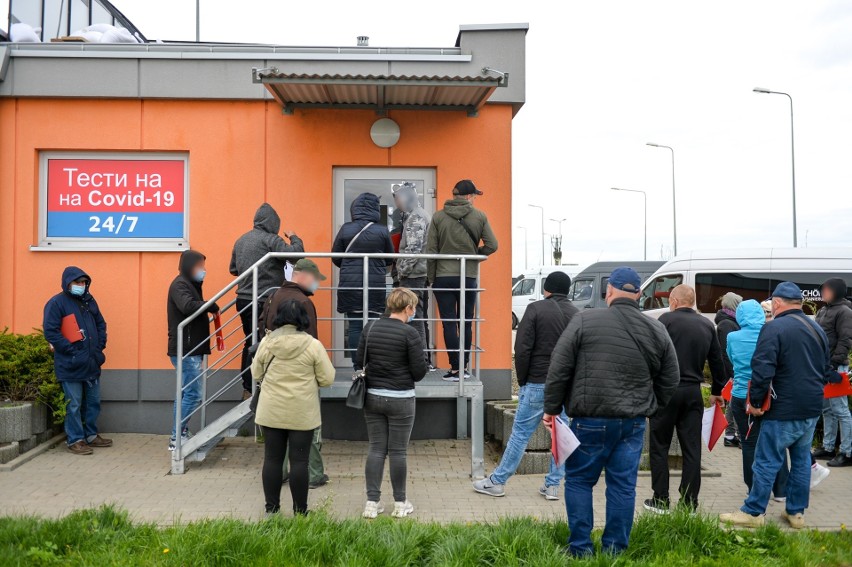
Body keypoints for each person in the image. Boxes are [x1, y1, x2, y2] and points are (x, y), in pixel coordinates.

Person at [545, 267, 680, 557]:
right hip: (632, 423)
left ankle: (580, 549)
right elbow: (671, 377)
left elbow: (559, 367)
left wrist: (551, 409)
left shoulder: (584, 319)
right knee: (623, 486)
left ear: (609, 292)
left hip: (589, 419)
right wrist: (651, 405)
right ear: (639, 294)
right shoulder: (656, 328)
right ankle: (615, 551)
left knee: (580, 481)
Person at [721, 282, 839, 529]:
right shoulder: (816, 328)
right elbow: (825, 368)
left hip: (783, 408)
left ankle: (753, 512)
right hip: (811, 407)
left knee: (766, 460)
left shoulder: (773, 329)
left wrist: (754, 403)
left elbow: (762, 370)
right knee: (800, 461)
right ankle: (796, 513)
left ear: (776, 303)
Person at [473, 272, 577, 500]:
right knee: (560, 435)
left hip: (537, 382)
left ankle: (497, 482)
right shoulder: (576, 314)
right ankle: (552, 486)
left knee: (520, 435)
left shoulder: (535, 309)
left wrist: (523, 380)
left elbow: (522, 349)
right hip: (565, 387)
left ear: (546, 289)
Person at [645, 285, 726, 513]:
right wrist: (717, 391)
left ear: (673, 300)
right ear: (691, 302)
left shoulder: (665, 321)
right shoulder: (707, 324)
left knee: (659, 445)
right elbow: (717, 361)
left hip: (665, 391)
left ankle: (660, 499)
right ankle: (689, 502)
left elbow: (653, 355)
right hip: (693, 392)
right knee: (692, 448)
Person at [252, 300, 335, 516]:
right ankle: (301, 512)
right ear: (303, 318)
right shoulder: (313, 345)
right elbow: (327, 378)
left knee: (272, 459)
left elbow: (255, 374)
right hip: (302, 412)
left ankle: (271, 510)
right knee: (300, 461)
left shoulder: (267, 343)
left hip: (271, 411)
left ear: (278, 317)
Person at [358, 288, 428, 519]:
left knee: (376, 449)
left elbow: (358, 360)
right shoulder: (411, 334)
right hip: (401, 399)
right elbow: (419, 373)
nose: (414, 312)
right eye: (414, 307)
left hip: (373, 396)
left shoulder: (370, 327)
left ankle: (372, 503)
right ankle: (400, 504)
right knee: (398, 451)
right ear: (407, 308)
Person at [261, 259, 329, 489]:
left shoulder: (273, 295)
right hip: (301, 380)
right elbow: (311, 339)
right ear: (302, 275)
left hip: (274, 378)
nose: (316, 284)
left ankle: (279, 475)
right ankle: (313, 474)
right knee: (306, 433)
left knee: (276, 438)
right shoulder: (303, 302)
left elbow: (263, 329)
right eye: (315, 279)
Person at [230, 203, 304, 400]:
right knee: (268, 342)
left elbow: (233, 270)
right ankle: (264, 385)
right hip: (265, 301)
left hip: (243, 300)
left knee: (250, 341)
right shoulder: (271, 239)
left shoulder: (241, 240)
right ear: (273, 223)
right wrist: (294, 237)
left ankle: (248, 387)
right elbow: (297, 254)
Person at [426, 180, 498, 381]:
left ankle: (455, 369)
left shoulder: (438, 217)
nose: (474, 199)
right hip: (468, 276)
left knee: (449, 323)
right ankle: (464, 369)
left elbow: (431, 250)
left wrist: (431, 278)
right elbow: (492, 245)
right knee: (465, 322)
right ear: (468, 196)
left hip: (443, 276)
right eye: (474, 196)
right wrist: (476, 253)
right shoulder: (479, 216)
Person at [43, 267, 110, 455]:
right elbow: (51, 332)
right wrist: (72, 351)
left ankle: (90, 435)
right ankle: (75, 439)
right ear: (67, 283)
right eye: (77, 283)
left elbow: (100, 323)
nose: (81, 286)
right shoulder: (56, 303)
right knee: (73, 404)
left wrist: (99, 347)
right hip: (70, 364)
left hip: (91, 361)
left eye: (83, 283)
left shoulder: (89, 300)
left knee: (93, 402)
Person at [726, 299, 788, 499]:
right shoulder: (772, 333)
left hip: (741, 396)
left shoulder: (733, 337)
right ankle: (780, 490)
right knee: (775, 443)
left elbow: (730, 358)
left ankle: (753, 488)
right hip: (769, 395)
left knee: (748, 443)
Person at [332, 193, 395, 369]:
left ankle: (357, 366)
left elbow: (336, 257)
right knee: (373, 327)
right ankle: (372, 364)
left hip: (350, 284)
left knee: (354, 326)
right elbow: (390, 258)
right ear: (375, 209)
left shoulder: (346, 229)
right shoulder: (382, 230)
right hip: (374, 284)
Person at [167, 250, 219, 451]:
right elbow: (187, 306)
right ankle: (176, 437)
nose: (203, 270)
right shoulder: (180, 284)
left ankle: (180, 433)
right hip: (185, 349)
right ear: (189, 266)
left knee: (186, 393)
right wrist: (209, 305)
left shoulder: (190, 285)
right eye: (199, 267)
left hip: (191, 348)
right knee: (193, 394)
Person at [813, 277, 852, 467]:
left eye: (827, 289)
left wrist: (835, 364)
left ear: (836, 290)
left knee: (841, 410)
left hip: (836, 367)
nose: (823, 293)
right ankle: (828, 448)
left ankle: (847, 452)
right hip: (822, 367)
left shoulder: (844, 311)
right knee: (827, 409)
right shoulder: (823, 310)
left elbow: (846, 340)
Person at [392, 182, 432, 365]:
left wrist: (401, 272)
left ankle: (420, 359)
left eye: (398, 198)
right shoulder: (417, 215)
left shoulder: (416, 217)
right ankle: (422, 358)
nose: (397, 202)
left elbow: (413, 250)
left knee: (413, 318)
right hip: (417, 274)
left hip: (413, 276)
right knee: (417, 317)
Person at [716, 291, 742, 447]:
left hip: (731, 370)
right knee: (734, 403)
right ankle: (732, 434)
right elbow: (726, 352)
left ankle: (731, 435)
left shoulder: (730, 321)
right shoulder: (727, 324)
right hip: (730, 370)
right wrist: (732, 373)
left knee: (733, 402)